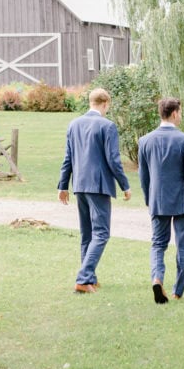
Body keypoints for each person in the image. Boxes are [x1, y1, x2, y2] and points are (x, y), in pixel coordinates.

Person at [58, 88, 131, 294]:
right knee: (101, 233)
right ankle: (83, 279)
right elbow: (113, 160)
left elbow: (68, 158)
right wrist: (125, 185)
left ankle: (89, 278)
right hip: (98, 186)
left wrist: (63, 185)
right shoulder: (107, 126)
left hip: (79, 185)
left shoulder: (74, 124)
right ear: (105, 104)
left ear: (90, 102)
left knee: (87, 234)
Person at [138, 97, 184, 304]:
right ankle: (177, 291)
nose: (180, 116)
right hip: (182, 202)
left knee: (158, 244)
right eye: (180, 112)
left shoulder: (145, 141)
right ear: (174, 113)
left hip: (158, 200)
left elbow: (143, 176)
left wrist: (149, 199)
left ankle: (157, 278)